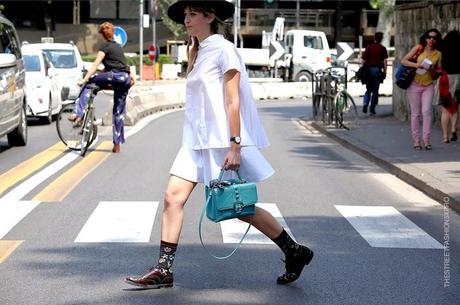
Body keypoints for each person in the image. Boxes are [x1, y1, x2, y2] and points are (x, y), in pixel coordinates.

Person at [125, 0, 314, 289]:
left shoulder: (224, 49)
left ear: (210, 16)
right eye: (185, 15)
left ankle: (294, 250)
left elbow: (232, 99)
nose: (186, 20)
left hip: (220, 142)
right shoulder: (197, 51)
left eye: (192, 15)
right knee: (172, 198)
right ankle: (164, 270)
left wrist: (235, 145)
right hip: (194, 142)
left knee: (240, 208)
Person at [68, 21, 134, 153]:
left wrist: (84, 79)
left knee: (89, 84)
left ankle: (78, 113)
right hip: (124, 79)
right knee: (118, 112)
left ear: (103, 35)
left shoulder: (105, 46)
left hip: (114, 76)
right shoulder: (118, 48)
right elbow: (121, 66)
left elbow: (94, 65)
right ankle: (117, 144)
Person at [401, 29, 442, 150]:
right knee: (415, 114)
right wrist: (416, 65)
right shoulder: (419, 48)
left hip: (428, 85)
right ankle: (416, 141)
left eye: (434, 38)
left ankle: (427, 140)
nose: (431, 40)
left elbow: (439, 70)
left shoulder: (438, 54)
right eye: (429, 37)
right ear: (425, 38)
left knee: (427, 111)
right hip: (414, 84)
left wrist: (432, 70)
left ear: (436, 40)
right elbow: (404, 61)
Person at [439, 30, 459, 143]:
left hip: (445, 79)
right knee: (455, 107)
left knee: (445, 109)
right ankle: (453, 129)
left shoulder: (442, 48)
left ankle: (445, 137)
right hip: (458, 79)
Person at [361, 32, 388, 115]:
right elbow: (385, 62)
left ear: (374, 38)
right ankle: (372, 109)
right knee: (375, 91)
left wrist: (362, 70)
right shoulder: (382, 48)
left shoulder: (369, 47)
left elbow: (363, 60)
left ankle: (365, 103)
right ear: (381, 39)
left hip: (368, 70)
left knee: (368, 89)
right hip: (377, 70)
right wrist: (385, 72)